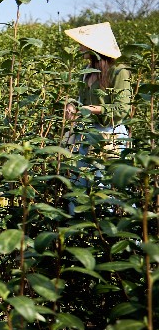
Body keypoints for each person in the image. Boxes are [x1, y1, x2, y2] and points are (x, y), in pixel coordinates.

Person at [63, 22, 131, 213]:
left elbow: (122, 108)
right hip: (86, 136)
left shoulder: (119, 71)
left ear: (95, 46)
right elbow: (80, 99)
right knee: (78, 187)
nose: (80, 47)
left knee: (106, 190)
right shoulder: (86, 72)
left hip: (110, 137)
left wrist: (93, 110)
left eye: (83, 44)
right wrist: (71, 105)